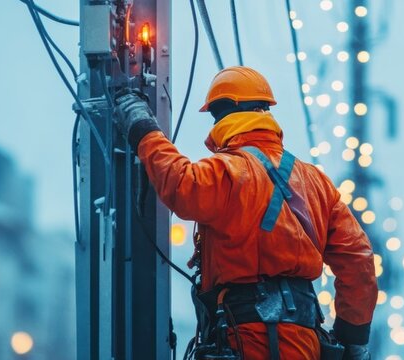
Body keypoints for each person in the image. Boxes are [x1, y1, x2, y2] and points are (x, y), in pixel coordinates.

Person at [114, 66, 377, 360]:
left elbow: (180, 184)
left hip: (247, 337)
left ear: (222, 115)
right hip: (304, 341)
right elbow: (358, 259)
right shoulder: (316, 182)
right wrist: (352, 340)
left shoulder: (227, 170)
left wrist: (143, 128)